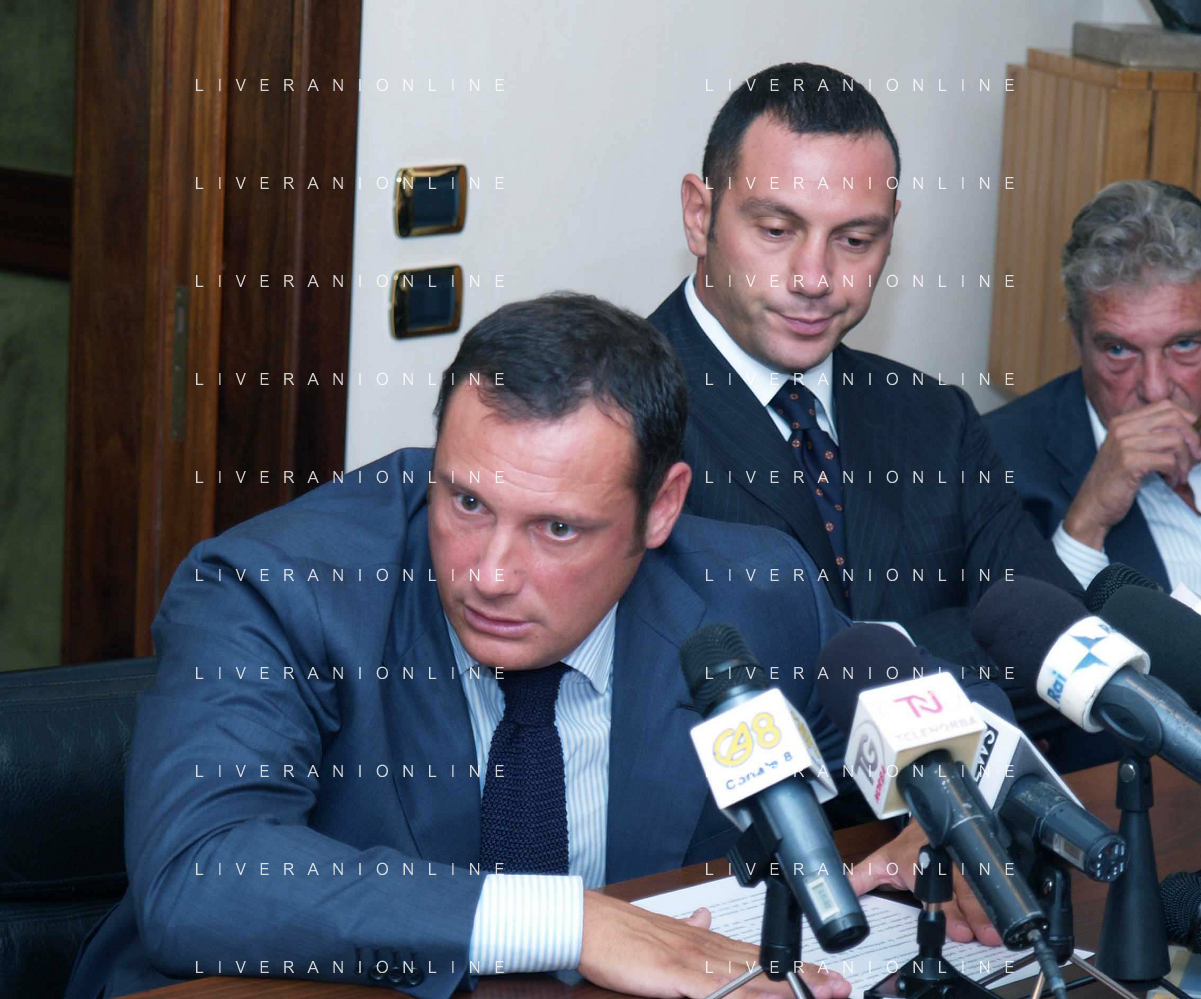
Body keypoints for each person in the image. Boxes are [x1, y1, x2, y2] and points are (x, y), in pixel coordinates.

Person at [65, 294, 1008, 999]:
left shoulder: (747, 593)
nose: (488, 572)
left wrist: (951, 815)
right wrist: (570, 922)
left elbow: (946, 700)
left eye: (557, 528)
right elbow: (204, 870)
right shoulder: (276, 588)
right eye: (466, 501)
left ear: (661, 509)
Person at [646, 61, 1091, 765]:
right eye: (776, 230)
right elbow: (665, 714)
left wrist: (871, 661)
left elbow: (1057, 653)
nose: (814, 278)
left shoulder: (935, 417)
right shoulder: (613, 416)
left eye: (855, 241)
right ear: (700, 216)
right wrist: (927, 652)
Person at [986, 179, 1201, 595]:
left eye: (1185, 345)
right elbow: (996, 630)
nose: (1155, 390)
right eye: (1119, 350)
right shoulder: (994, 464)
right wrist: (1089, 521)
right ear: (1076, 336)